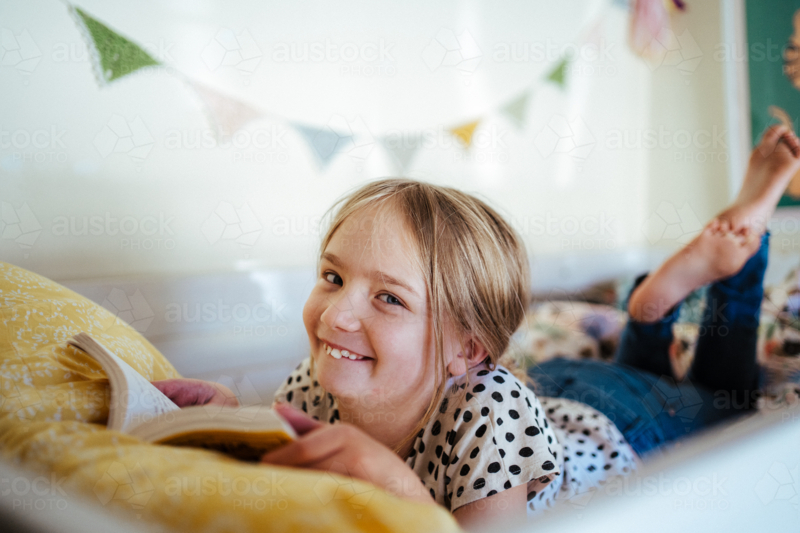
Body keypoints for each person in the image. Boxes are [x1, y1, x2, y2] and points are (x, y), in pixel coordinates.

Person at [152, 124, 800, 530]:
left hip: (625, 425)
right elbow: (286, 451)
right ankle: (650, 313)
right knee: (655, 372)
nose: (336, 315)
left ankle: (730, 253)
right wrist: (232, 418)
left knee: (727, 401)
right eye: (332, 276)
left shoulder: (488, 415)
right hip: (557, 388)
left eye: (389, 298)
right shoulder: (319, 377)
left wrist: (393, 480)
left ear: (466, 348)